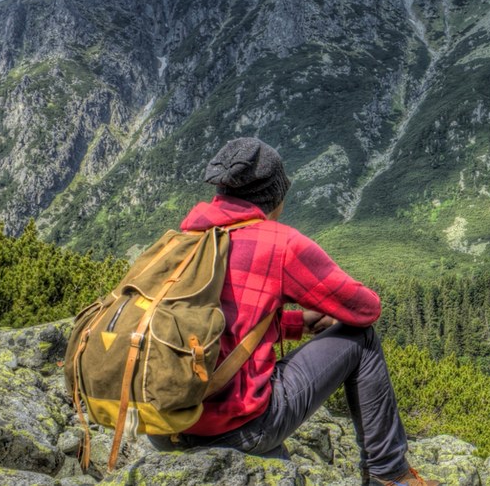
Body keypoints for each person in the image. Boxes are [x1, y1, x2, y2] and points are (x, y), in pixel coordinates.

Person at [165, 137, 437, 486]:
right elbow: (366, 308)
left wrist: (296, 322)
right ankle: (390, 474)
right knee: (361, 338)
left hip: (167, 422)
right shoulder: (278, 242)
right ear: (276, 197)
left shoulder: (185, 239)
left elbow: (213, 325)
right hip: (237, 429)